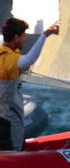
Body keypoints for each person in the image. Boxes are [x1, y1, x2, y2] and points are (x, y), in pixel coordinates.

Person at [0, 17, 59, 151]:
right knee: (13, 148)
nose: (25, 39)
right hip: (7, 118)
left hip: (9, 114)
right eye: (24, 35)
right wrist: (45, 34)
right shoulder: (7, 59)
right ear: (16, 37)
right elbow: (29, 59)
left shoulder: (9, 54)